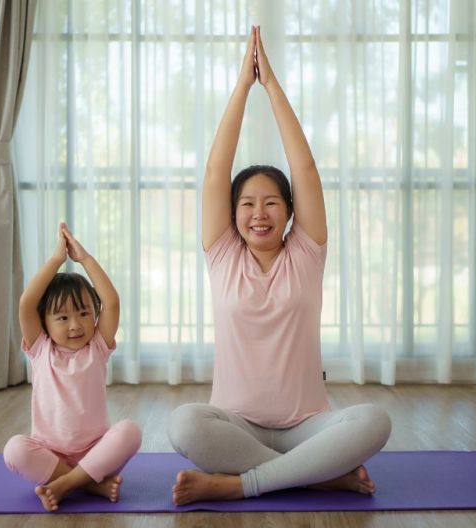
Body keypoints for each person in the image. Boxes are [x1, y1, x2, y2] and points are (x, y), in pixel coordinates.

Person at [167, 26, 392, 505]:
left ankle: (243, 483)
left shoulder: (306, 254)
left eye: (272, 203)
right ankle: (316, 478)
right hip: (234, 425)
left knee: (375, 420)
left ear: (290, 212)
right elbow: (214, 174)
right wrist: (241, 86)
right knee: (183, 424)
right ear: (232, 215)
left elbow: (306, 169)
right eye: (247, 204)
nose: (259, 213)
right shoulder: (223, 255)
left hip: (307, 427)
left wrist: (270, 85)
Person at [3, 223, 141, 512]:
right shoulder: (41, 349)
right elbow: (27, 304)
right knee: (14, 449)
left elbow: (111, 302)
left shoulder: (97, 346)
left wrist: (85, 259)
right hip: (49, 453)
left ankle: (65, 484)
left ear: (94, 315)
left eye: (83, 314)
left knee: (130, 431)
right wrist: (56, 260)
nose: (76, 325)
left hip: (95, 449)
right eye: (62, 318)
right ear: (44, 322)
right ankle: (90, 484)